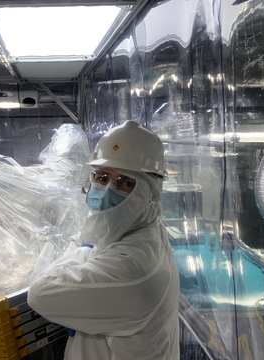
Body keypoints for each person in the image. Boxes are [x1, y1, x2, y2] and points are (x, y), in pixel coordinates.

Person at [28, 120, 180, 360]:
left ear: (152, 193)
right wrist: (87, 245)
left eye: (126, 183)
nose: (108, 189)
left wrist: (84, 248)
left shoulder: (134, 269)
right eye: (102, 177)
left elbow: (40, 293)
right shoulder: (137, 229)